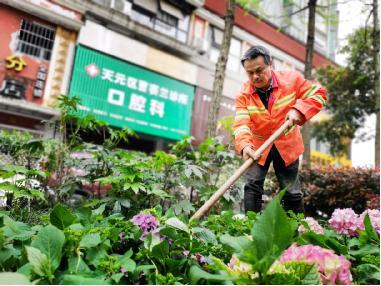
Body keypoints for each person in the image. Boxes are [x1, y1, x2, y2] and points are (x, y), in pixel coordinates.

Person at [232, 45, 327, 214]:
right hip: (258, 148)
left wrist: (298, 109)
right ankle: (251, 231)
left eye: (259, 70)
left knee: (291, 191)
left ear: (270, 65)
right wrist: (245, 146)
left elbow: (319, 94)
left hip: (287, 145)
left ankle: (295, 233)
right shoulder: (243, 95)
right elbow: (241, 124)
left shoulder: (292, 80)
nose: (255, 76)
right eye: (250, 73)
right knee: (252, 187)